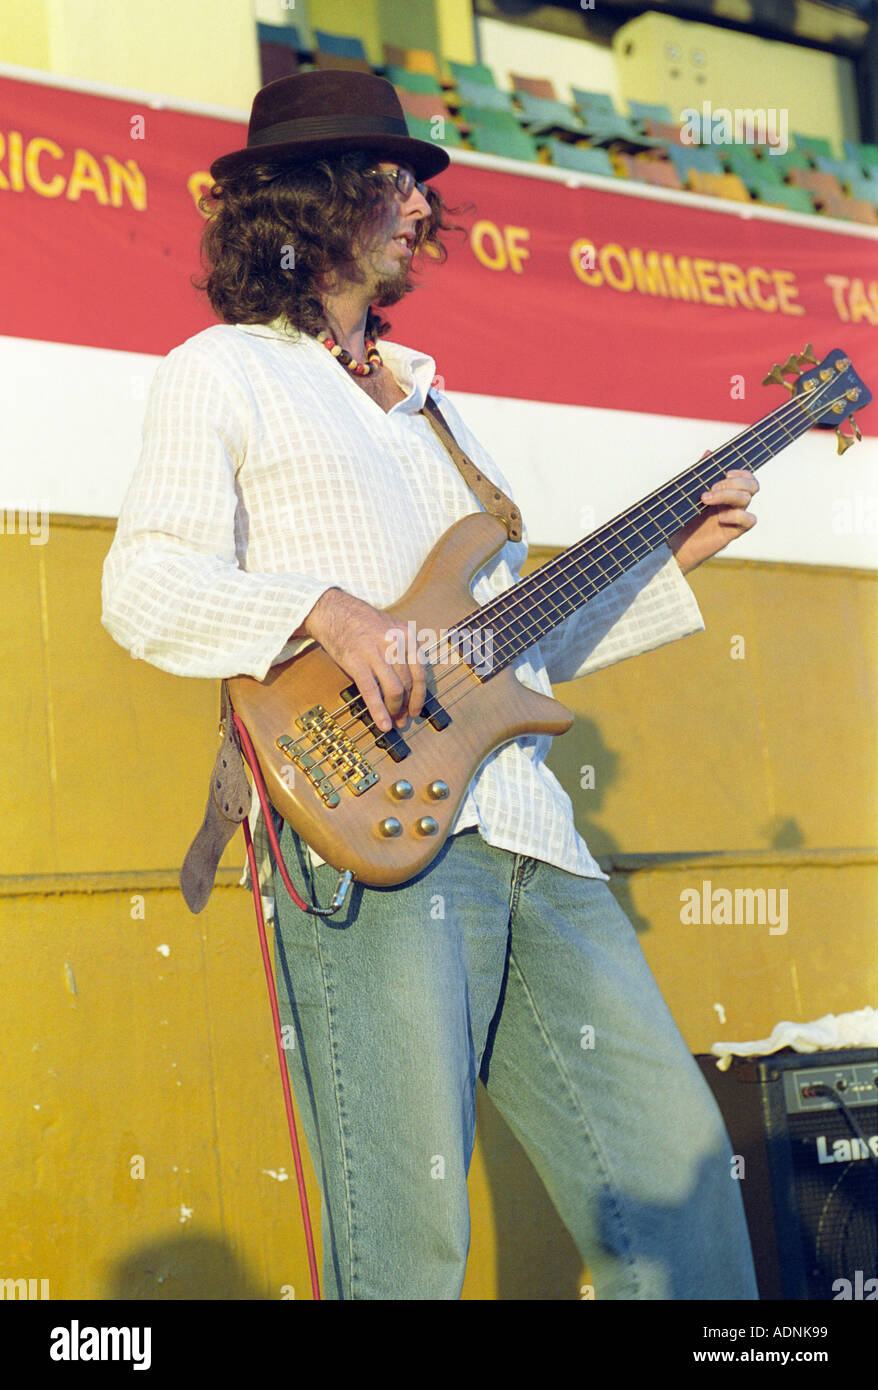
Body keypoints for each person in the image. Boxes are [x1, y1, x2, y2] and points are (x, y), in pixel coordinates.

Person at [102, 70, 760, 1301]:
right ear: (310, 201)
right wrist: (319, 607)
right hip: (378, 844)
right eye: (393, 179)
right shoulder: (225, 369)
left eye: (417, 185)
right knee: (408, 1252)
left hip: (537, 846)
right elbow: (142, 585)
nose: (419, 207)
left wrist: (672, 561)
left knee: (685, 1216)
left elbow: (509, 661)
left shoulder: (434, 406)